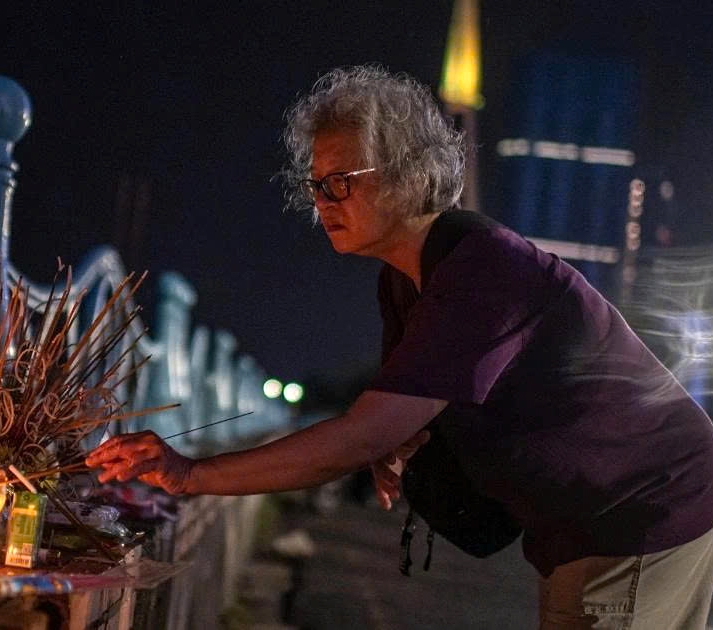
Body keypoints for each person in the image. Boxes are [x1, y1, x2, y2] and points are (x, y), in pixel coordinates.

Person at [86, 65, 713, 628]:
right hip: (591, 526)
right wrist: (399, 441)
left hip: (645, 517)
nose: (322, 202)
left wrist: (192, 473)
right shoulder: (408, 280)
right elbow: (399, 419)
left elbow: (360, 435)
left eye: (342, 181)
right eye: (314, 185)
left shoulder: (483, 273)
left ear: (409, 172)